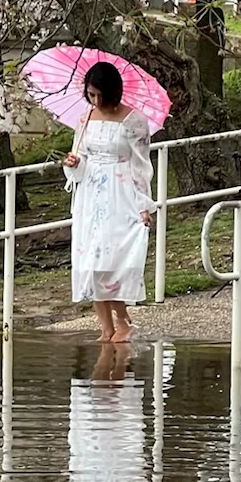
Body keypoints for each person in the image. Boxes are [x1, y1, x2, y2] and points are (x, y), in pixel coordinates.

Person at [63, 62, 155, 343]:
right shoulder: (85, 119)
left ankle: (123, 321)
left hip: (121, 192)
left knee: (111, 260)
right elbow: (81, 157)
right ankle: (105, 327)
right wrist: (73, 164)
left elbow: (141, 166)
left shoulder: (134, 121)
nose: (96, 101)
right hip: (90, 194)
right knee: (89, 260)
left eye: (101, 95)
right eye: (91, 94)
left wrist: (144, 205)